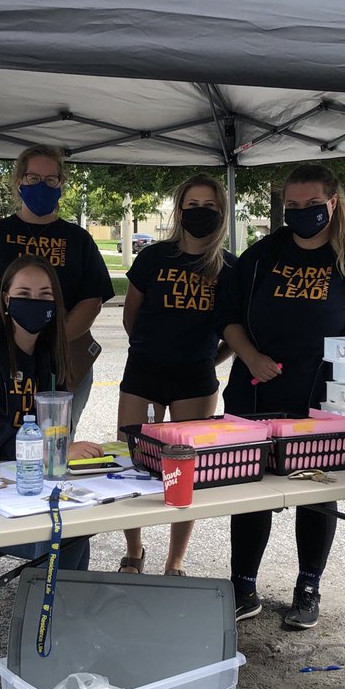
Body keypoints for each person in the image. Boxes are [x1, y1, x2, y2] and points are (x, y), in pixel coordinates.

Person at [218, 164, 345, 629]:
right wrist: (252, 356)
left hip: (327, 402)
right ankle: (243, 586)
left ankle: (308, 587)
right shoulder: (261, 257)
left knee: (318, 495)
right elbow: (228, 318)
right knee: (249, 490)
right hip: (257, 393)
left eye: (311, 206)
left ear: (333, 204)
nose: (301, 214)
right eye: (292, 207)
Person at [0, 254, 102, 576]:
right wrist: (58, 451)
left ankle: (59, 612)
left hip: (24, 481)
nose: (35, 302)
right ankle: (44, 619)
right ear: (6, 299)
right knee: (63, 534)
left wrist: (62, 452)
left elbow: (55, 425)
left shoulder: (49, 356)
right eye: (24, 295)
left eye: (45, 295)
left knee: (76, 527)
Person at [116, 174, 236, 576]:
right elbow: (131, 314)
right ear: (179, 210)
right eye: (192, 206)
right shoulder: (153, 258)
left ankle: (175, 560)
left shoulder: (229, 267)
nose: (199, 214)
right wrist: (152, 349)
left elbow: (236, 331)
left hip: (195, 381)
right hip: (144, 373)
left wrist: (209, 361)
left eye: (209, 207)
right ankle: (134, 551)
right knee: (133, 462)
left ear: (221, 213)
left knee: (184, 472)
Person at [0, 145, 114, 434]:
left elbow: (92, 301)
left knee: (58, 438)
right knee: (4, 434)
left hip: (65, 358)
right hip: (4, 355)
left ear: (61, 185)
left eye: (51, 179)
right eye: (33, 178)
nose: (42, 185)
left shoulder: (78, 239)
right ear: (19, 182)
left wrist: (51, 341)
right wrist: (11, 340)